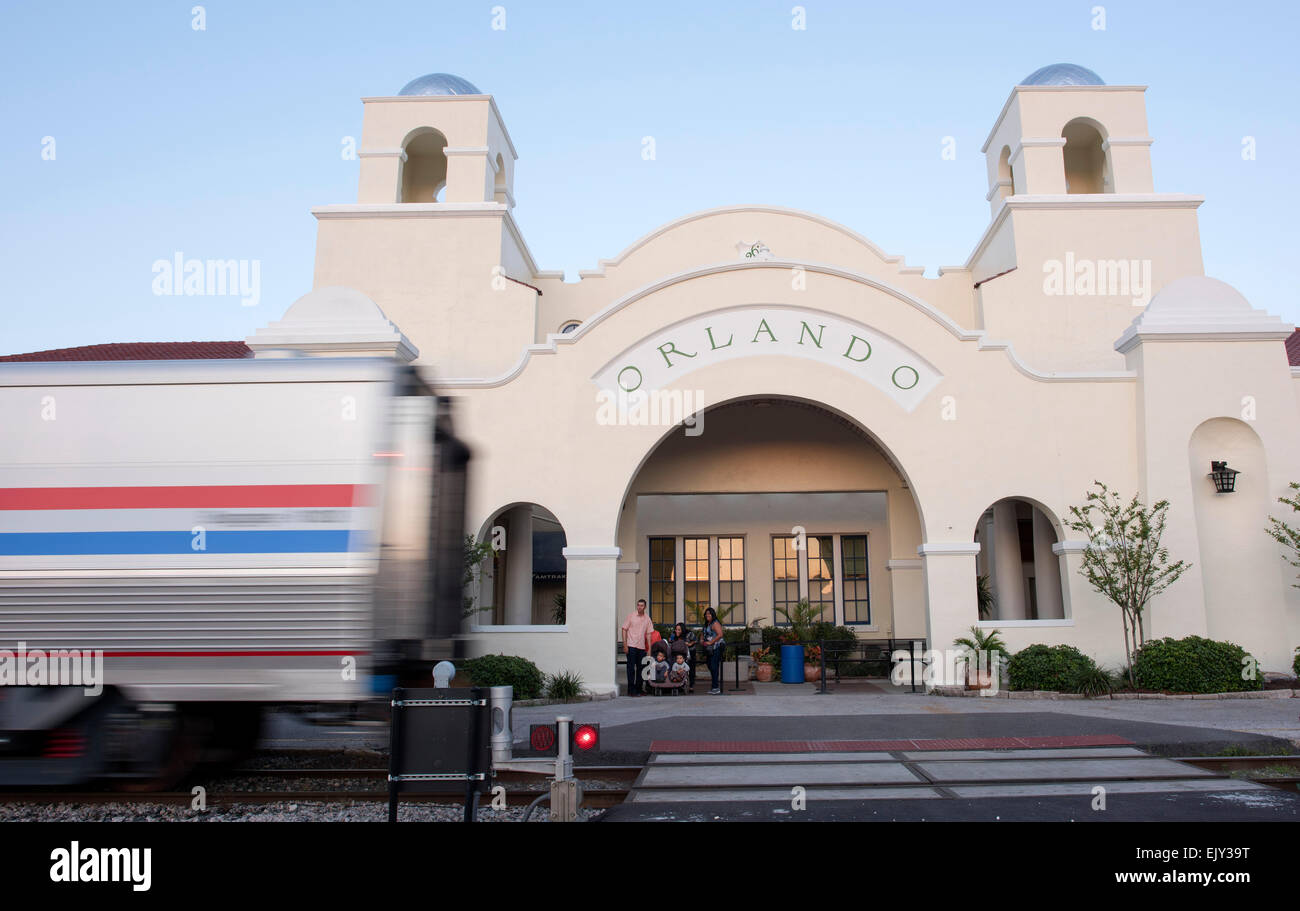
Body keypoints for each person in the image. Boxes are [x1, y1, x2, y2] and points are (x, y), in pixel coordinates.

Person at [621, 598, 654, 696]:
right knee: (631, 669)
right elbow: (624, 629)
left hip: (641, 647)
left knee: (641, 669)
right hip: (631, 645)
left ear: (645, 607)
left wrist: (649, 650)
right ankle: (631, 690)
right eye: (638, 605)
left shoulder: (647, 618)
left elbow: (649, 634)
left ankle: (639, 689)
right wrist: (625, 644)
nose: (639, 607)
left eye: (641, 606)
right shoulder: (631, 616)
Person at [701, 607, 726, 695]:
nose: (707, 615)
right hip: (709, 649)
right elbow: (703, 633)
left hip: (716, 647)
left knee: (714, 666)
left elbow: (720, 634)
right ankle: (714, 686)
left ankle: (715, 687)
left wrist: (711, 642)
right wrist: (701, 640)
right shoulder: (707, 623)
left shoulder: (715, 623)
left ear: (713, 614)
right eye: (706, 614)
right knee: (710, 665)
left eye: (709, 614)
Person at [668, 622, 697, 693]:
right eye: (676, 629)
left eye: (679, 630)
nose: (677, 631)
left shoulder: (689, 634)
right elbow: (670, 642)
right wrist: (670, 640)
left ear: (683, 630)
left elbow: (695, 640)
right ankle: (677, 682)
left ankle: (691, 685)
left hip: (689, 653)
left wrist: (689, 644)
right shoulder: (673, 634)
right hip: (678, 654)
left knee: (690, 667)